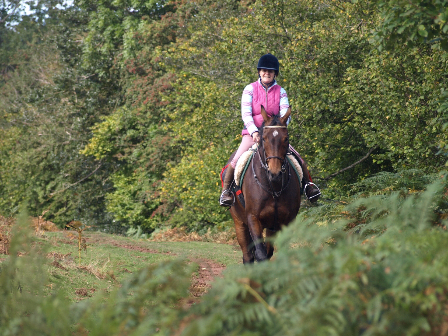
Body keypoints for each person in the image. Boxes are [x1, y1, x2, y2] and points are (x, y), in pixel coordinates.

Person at [219, 53, 321, 206]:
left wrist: (279, 127)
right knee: (236, 160)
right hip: (251, 134)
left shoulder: (281, 91)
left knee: (297, 158)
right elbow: (246, 114)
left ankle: (309, 187)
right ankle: (226, 192)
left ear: (275, 73)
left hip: (274, 135)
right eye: (264, 70)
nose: (267, 73)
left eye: (270, 71)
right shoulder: (249, 89)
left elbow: (286, 113)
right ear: (259, 72)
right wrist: (254, 132)